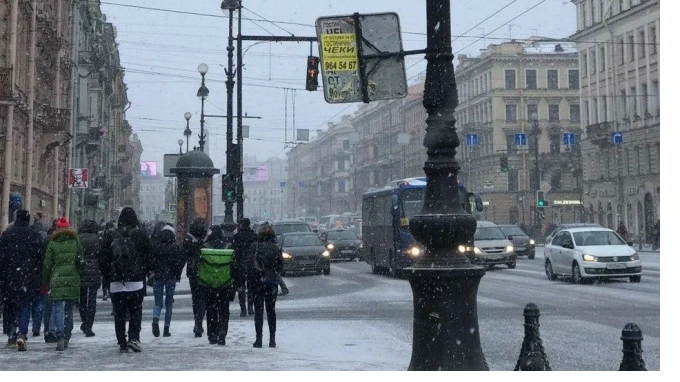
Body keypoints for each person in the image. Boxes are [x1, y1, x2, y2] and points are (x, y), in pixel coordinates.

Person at [101, 207, 153, 353]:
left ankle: (122, 342)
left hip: (116, 282)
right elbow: (150, 256)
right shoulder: (140, 235)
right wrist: (146, 273)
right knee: (136, 310)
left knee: (119, 313)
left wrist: (107, 278)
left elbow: (103, 259)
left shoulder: (111, 235)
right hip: (136, 281)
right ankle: (134, 338)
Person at [0, 210, 45, 351]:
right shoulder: (34, 235)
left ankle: (12, 333)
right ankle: (22, 333)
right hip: (29, 277)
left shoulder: (6, 235)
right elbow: (40, 258)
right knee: (25, 306)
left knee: (11, 306)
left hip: (10, 277)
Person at [42, 216, 82, 351]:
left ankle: (59, 336)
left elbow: (47, 265)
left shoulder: (52, 243)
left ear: (57, 228)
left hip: (57, 278)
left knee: (58, 308)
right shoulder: (76, 241)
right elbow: (80, 261)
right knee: (69, 310)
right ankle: (67, 335)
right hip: (72, 278)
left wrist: (45, 281)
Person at [248, 225, 284, 348]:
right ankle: (272, 339)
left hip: (257, 282)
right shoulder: (276, 248)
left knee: (258, 311)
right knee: (271, 311)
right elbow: (280, 267)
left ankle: (258, 339)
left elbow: (249, 265)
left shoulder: (255, 246)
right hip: (271, 282)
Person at [199, 225, 234, 345]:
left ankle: (212, 335)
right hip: (224, 284)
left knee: (211, 309)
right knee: (224, 310)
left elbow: (198, 266)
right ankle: (222, 333)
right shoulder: (228, 247)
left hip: (209, 284)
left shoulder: (205, 247)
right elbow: (234, 267)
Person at [150, 225, 183, 338]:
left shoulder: (156, 247)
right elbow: (178, 264)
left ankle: (155, 318)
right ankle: (166, 329)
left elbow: (152, 262)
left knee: (158, 303)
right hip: (170, 278)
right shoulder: (175, 247)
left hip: (158, 277)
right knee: (169, 304)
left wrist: (153, 272)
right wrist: (177, 275)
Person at [183, 217, 208, 337]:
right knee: (202, 298)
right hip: (204, 271)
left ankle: (197, 322)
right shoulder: (206, 239)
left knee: (195, 298)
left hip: (192, 271)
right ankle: (199, 322)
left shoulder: (188, 239)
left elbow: (183, 256)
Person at [77, 219, 102, 337]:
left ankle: (84, 319)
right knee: (92, 300)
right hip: (94, 272)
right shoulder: (98, 239)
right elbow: (101, 256)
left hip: (81, 271)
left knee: (82, 299)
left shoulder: (78, 238)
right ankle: (89, 326)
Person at [233, 218, 257, 317]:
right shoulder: (254, 236)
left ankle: (243, 309)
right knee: (251, 287)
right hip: (251, 264)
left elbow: (234, 250)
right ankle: (250, 307)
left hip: (240, 264)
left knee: (241, 287)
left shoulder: (237, 236)